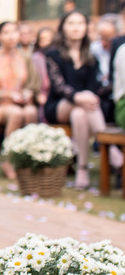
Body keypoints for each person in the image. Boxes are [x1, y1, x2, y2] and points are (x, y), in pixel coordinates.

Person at [45, 10, 105, 189]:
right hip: (59, 106)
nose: (76, 27)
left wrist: (86, 97)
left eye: (80, 23)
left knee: (80, 113)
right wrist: (78, 96)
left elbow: (95, 87)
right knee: (80, 105)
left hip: (82, 109)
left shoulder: (92, 57)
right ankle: (110, 147)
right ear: (63, 28)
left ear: (87, 27)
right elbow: (59, 86)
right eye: (71, 23)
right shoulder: (53, 54)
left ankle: (82, 169)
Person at [0, 21, 39, 179]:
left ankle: (29, 160)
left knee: (31, 111)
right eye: (6, 32)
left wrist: (27, 92)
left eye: (14, 32)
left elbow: (33, 83)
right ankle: (10, 160)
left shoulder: (25, 58)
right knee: (16, 114)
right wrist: (7, 95)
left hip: (22, 102)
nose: (11, 36)